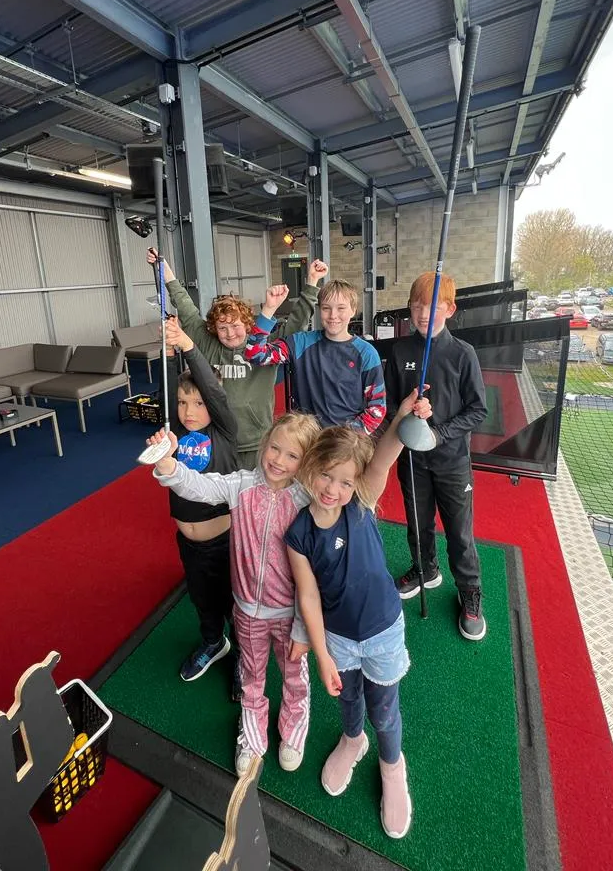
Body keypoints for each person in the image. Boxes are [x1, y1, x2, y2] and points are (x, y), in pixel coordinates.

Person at [145, 412, 322, 777]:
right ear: (264, 443)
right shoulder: (241, 485)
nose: (278, 460)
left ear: (306, 462)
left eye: (292, 456)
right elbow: (200, 487)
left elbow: (316, 571)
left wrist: (305, 627)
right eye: (275, 448)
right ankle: (252, 732)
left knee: (294, 674)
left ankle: (294, 727)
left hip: (289, 614)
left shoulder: (306, 500)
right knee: (251, 675)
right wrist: (169, 466)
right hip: (245, 610)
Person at [285, 390, 421, 840]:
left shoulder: (361, 503)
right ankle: (351, 739)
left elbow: (382, 459)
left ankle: (392, 766)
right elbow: (307, 597)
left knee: (384, 711)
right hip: (338, 639)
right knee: (348, 701)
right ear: (310, 468)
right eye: (326, 475)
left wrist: (403, 415)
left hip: (382, 630)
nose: (332, 489)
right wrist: (322, 655)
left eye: (345, 481)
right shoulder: (298, 533)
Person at [147, 249, 327, 468]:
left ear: (248, 325)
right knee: (219, 496)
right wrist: (163, 269)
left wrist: (312, 283)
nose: (230, 334)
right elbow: (185, 307)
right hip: (216, 438)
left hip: (256, 440)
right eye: (222, 328)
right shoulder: (208, 343)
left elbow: (297, 322)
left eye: (235, 326)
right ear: (214, 329)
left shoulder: (265, 348)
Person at [384, 271, 488, 641]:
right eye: (416, 306)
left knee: (460, 532)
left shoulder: (463, 354)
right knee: (417, 523)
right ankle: (424, 568)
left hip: (451, 461)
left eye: (432, 306)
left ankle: (469, 591)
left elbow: (478, 410)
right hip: (412, 460)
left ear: (450, 309)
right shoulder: (399, 352)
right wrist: (408, 410)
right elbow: (391, 405)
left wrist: (437, 430)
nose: (423, 313)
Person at [160, 316, 241, 699]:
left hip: (223, 541)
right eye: (182, 402)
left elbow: (209, 386)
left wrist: (187, 345)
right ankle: (213, 643)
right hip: (188, 542)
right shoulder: (177, 434)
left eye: (198, 403)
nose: (189, 410)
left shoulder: (224, 430)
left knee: (233, 604)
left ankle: (243, 656)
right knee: (201, 598)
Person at [244, 278, 386, 436]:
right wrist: (269, 309)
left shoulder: (366, 353)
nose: (333, 315)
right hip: (305, 441)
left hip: (345, 445)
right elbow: (255, 353)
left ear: (353, 310)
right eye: (326, 308)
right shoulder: (300, 343)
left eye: (341, 308)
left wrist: (343, 437)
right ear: (319, 310)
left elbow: (377, 408)